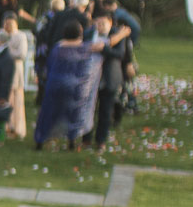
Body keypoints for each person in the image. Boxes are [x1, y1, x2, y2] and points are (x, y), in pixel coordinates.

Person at [32, 20, 107, 150]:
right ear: (80, 34)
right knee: (73, 114)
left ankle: (40, 141)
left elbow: (49, 65)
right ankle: (71, 142)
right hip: (75, 89)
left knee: (49, 113)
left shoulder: (57, 48)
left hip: (55, 86)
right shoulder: (85, 48)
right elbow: (101, 48)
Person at [91, 11, 134, 149]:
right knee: (89, 110)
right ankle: (86, 138)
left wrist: (103, 48)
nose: (100, 26)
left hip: (109, 77)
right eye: (97, 23)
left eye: (103, 23)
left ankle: (100, 141)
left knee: (105, 111)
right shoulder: (90, 34)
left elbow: (120, 53)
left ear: (110, 22)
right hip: (92, 78)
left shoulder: (117, 35)